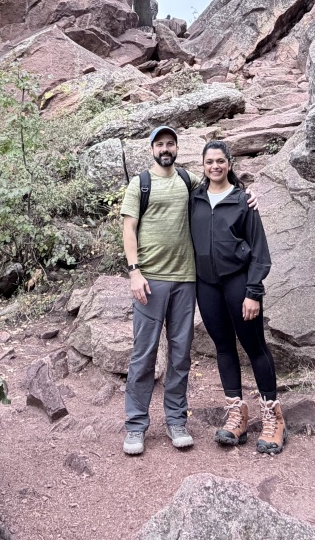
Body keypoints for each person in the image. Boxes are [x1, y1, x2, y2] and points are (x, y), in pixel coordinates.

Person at [188, 140, 283, 454]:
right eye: (209, 162)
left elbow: (260, 252)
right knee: (224, 347)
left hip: (239, 284)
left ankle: (273, 417)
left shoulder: (243, 201)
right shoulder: (195, 199)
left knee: (254, 347)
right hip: (207, 286)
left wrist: (253, 291)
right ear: (203, 166)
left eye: (220, 161)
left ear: (229, 163)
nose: (214, 166)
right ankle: (236, 414)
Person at [119, 125, 198, 455]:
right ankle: (136, 426)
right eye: (160, 144)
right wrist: (134, 272)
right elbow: (128, 228)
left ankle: (176, 420)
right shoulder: (140, 184)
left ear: (177, 148)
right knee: (144, 354)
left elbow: (219, 191)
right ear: (152, 149)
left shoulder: (188, 180)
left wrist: (245, 193)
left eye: (171, 144)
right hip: (150, 280)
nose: (166, 149)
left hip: (186, 279)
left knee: (181, 354)